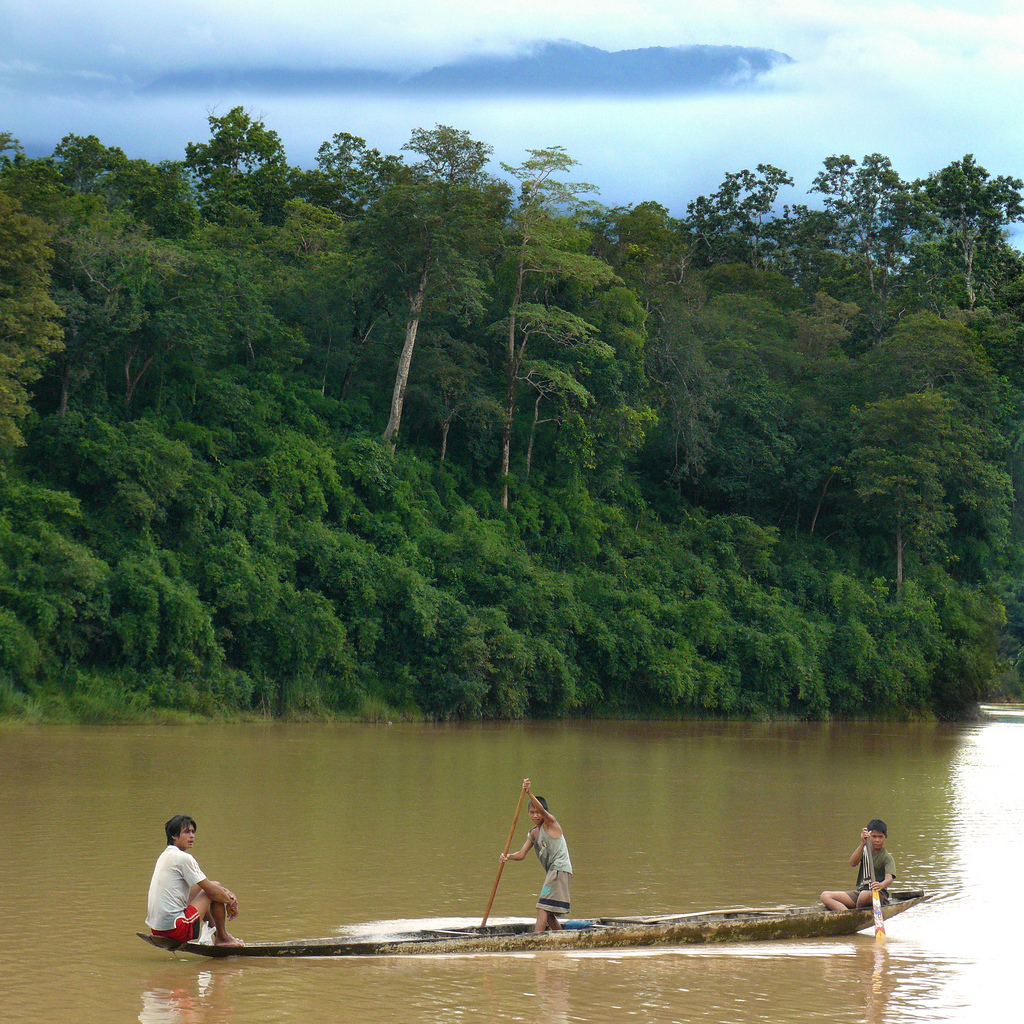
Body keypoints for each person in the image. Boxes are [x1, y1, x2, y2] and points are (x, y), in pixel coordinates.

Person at [146, 814, 244, 947]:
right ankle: (222, 938)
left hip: (157, 929)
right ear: (174, 836)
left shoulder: (166, 855)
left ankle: (220, 936)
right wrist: (231, 902)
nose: (192, 836)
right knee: (213, 890)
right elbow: (213, 892)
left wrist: (226, 893)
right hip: (175, 929)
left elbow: (207, 885)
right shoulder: (183, 858)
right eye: (186, 832)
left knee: (213, 887)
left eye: (193, 832)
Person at [500, 778, 573, 932]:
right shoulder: (534, 833)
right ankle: (559, 937)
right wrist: (508, 857)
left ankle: (536, 941)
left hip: (559, 869)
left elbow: (543, 811)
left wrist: (529, 793)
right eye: (531, 813)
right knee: (548, 911)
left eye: (537, 812)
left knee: (542, 908)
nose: (535, 815)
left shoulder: (551, 824)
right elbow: (521, 854)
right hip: (553, 872)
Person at [820, 818, 896, 912]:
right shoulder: (864, 851)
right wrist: (863, 843)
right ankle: (847, 916)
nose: (877, 840)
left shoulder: (887, 857)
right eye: (874, 836)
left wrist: (880, 885)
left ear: (886, 837)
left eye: (880, 837)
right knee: (825, 896)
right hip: (859, 892)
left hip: (877, 894)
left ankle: (856, 911)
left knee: (864, 895)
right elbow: (852, 863)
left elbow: (889, 878)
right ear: (869, 836)